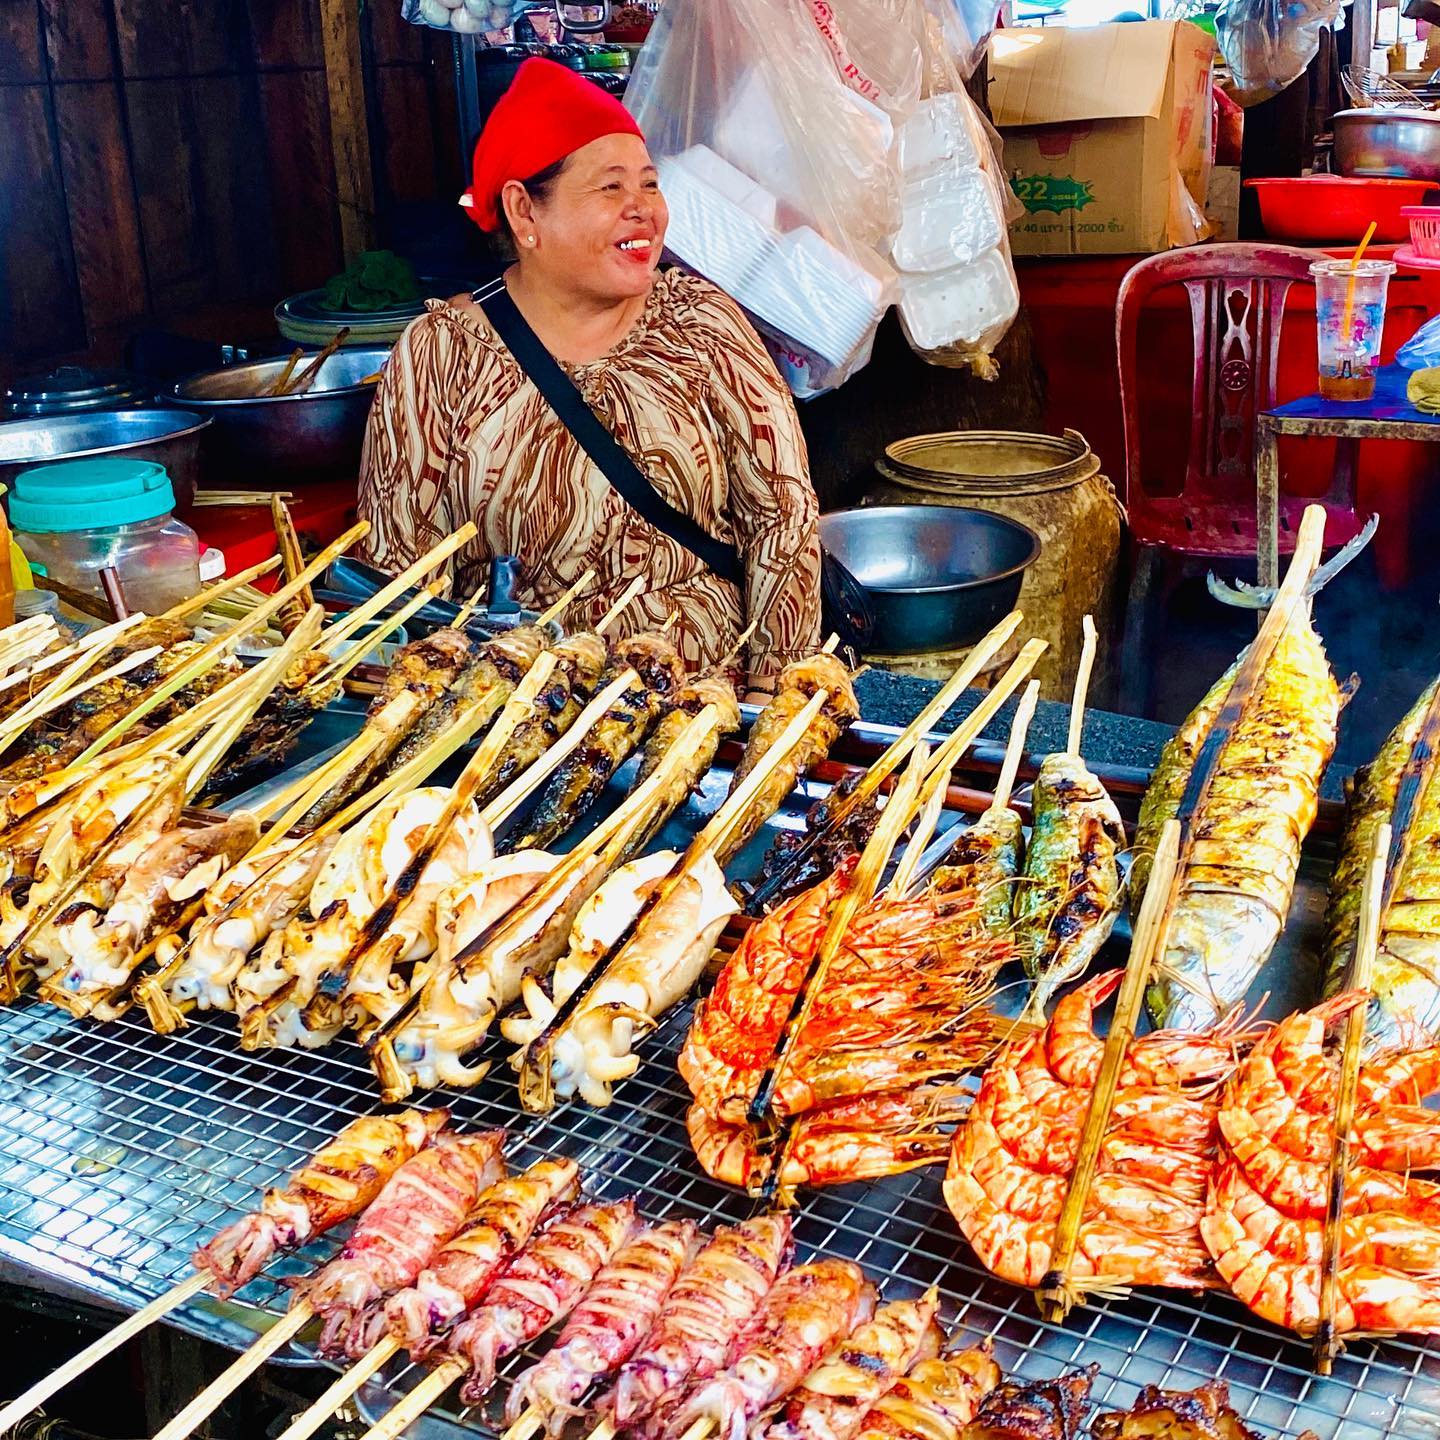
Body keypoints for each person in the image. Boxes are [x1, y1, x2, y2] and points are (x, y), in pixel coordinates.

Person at [357, 58, 822, 704]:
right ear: (525, 211)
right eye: (610, 189)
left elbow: (783, 515)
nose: (645, 211)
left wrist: (775, 696)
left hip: (704, 715)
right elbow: (397, 574)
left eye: (650, 185)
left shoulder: (700, 325)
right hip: (517, 724)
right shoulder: (442, 357)